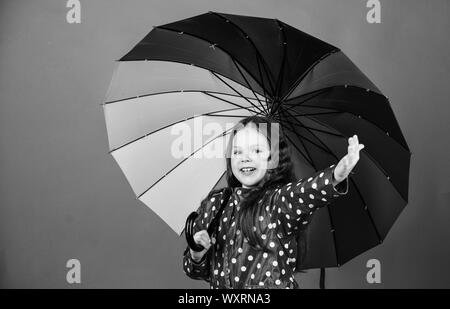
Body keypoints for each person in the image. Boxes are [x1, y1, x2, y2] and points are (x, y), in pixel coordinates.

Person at [182, 115, 364, 289]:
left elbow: (306, 192)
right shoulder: (216, 204)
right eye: (237, 151)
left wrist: (336, 176)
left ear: (273, 158)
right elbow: (195, 271)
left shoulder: (278, 202)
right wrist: (196, 254)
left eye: (256, 150)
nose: (245, 157)